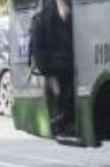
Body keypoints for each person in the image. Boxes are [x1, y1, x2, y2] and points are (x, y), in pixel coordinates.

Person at [28, 0, 75, 136]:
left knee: (60, 90)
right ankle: (62, 120)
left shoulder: (43, 13)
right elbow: (65, 16)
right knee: (68, 87)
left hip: (48, 63)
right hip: (57, 63)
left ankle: (60, 120)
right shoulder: (54, 12)